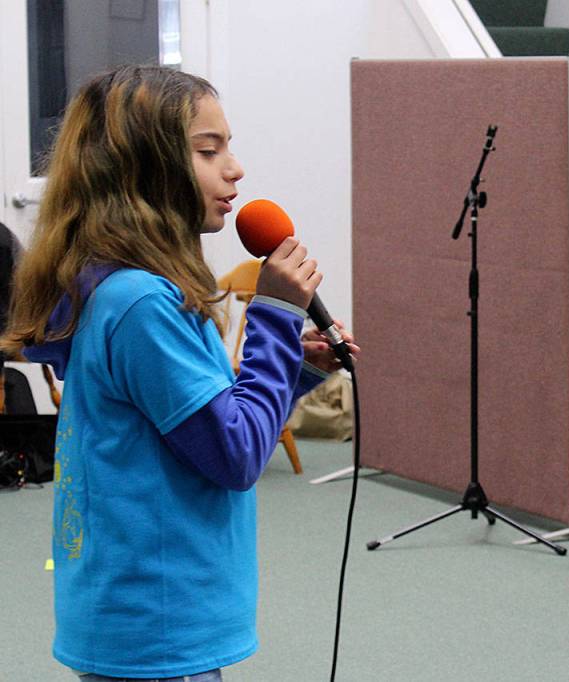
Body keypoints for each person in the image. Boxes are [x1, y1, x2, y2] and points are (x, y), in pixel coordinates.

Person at [1, 65, 358, 680]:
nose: (235, 170)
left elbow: (209, 422)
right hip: (159, 626)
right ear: (143, 168)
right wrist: (272, 317)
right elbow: (236, 454)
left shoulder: (111, 285)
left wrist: (292, 364)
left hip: (134, 612)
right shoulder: (141, 304)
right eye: (208, 150)